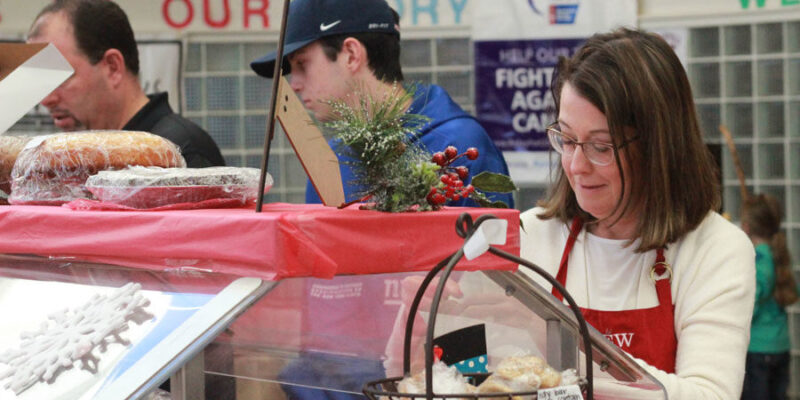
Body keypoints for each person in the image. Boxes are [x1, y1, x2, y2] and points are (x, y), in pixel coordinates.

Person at [519, 28, 756, 398]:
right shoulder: (530, 235)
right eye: (566, 139)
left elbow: (709, 395)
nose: (576, 165)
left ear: (659, 147)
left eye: (600, 146)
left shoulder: (714, 248)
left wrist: (560, 342)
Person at [250, 0, 512, 208]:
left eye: (301, 64)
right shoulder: (331, 158)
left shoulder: (459, 146)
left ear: (351, 55)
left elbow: (486, 268)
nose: (293, 83)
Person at [27, 0, 225, 168]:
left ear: (113, 67)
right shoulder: (86, 160)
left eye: (60, 77)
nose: (46, 99)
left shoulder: (177, 154)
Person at [740, 193, 798, 400]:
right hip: (780, 345)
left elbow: (749, 306)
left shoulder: (759, 262)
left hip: (758, 350)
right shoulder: (778, 254)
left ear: (746, 227)